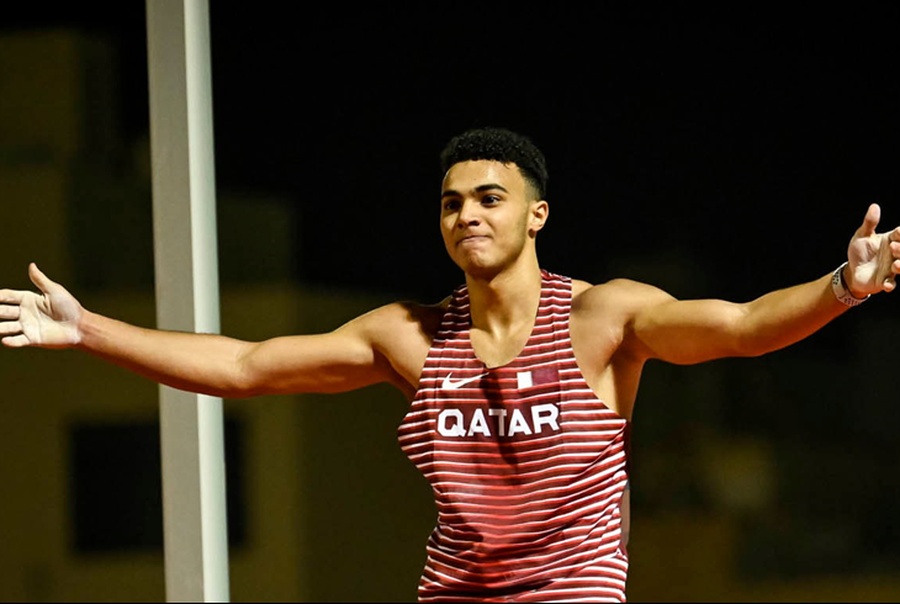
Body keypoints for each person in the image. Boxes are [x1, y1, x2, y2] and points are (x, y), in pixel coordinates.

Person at [1, 127, 898, 602]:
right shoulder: (408, 336)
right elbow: (245, 364)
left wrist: (841, 289)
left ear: (537, 216)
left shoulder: (601, 319)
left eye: (490, 197)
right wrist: (90, 332)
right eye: (451, 202)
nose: (467, 213)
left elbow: (741, 327)